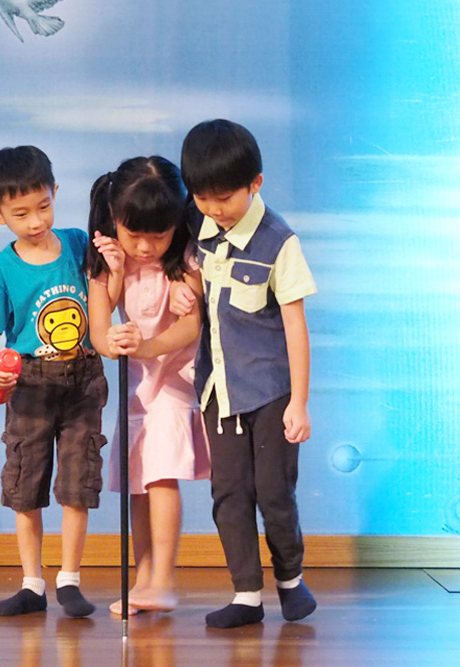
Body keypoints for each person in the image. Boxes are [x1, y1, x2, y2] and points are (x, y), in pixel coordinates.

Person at [172, 119, 318, 629]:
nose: (214, 209)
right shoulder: (197, 223)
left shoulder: (279, 241)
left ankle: (291, 580)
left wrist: (299, 402)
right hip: (219, 389)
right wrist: (183, 286)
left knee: (274, 492)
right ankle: (246, 594)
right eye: (202, 198)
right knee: (229, 494)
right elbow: (183, 264)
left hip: (271, 391)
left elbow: (296, 326)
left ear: (255, 183)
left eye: (224, 198)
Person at [0, 145, 107, 618]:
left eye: (43, 207)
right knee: (26, 484)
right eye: (20, 214)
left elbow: (108, 294)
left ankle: (69, 579)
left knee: (77, 481)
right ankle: (32, 583)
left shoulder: (78, 244)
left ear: (55, 193)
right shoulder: (0, 270)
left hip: (83, 379)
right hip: (29, 384)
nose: (36, 221)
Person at [84, 156, 210, 617]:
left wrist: (146, 347)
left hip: (176, 380)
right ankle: (144, 577)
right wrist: (116, 277)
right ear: (113, 217)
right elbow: (100, 333)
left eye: (159, 235)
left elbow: (192, 327)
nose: (144, 246)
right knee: (137, 480)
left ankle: (164, 580)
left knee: (160, 472)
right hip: (137, 388)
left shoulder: (184, 261)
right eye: (133, 233)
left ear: (177, 224)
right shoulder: (106, 263)